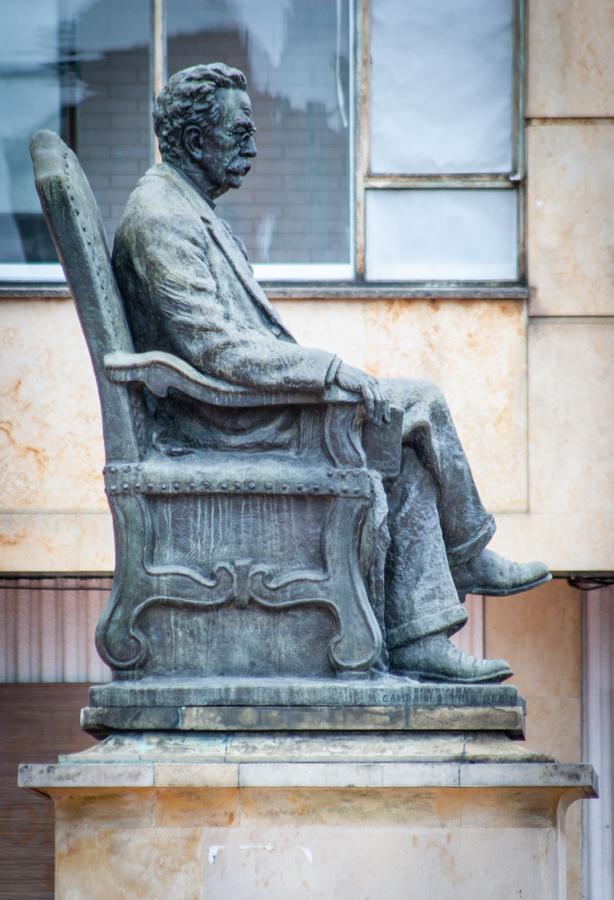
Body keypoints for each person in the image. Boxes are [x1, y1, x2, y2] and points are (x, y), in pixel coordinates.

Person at [112, 63, 550, 684]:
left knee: (403, 432)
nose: (254, 147)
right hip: (226, 422)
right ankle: (470, 557)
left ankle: (422, 636)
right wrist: (327, 371)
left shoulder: (189, 207)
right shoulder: (161, 218)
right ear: (192, 141)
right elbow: (218, 351)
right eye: (239, 133)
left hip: (245, 407)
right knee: (420, 401)